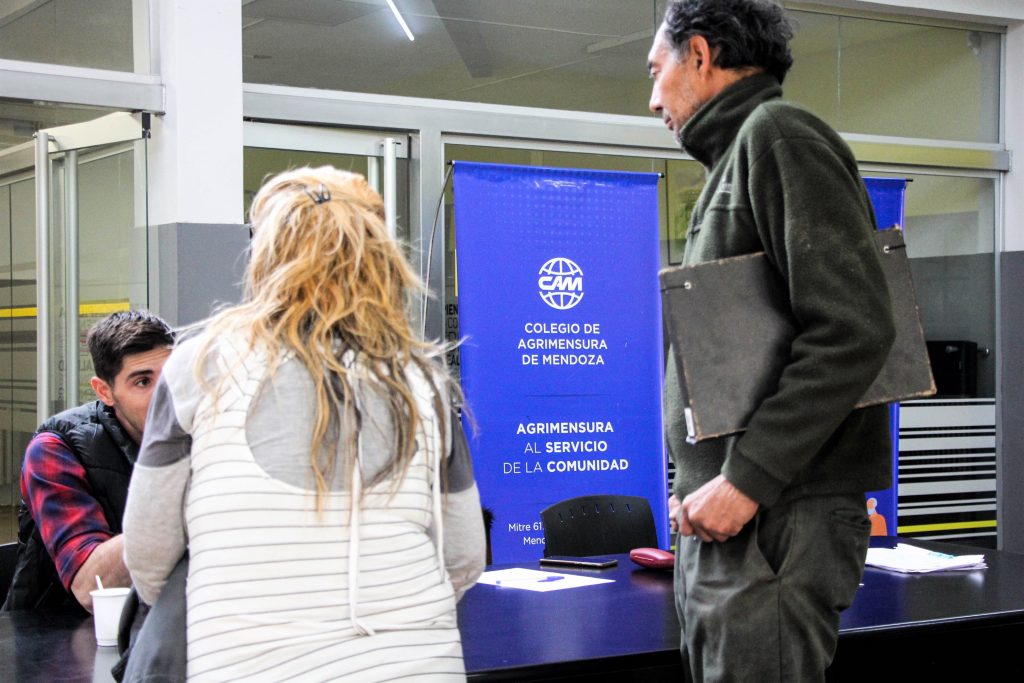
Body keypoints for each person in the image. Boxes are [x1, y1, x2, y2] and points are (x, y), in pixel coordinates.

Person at [123, 166, 485, 681]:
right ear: (379, 259)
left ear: (267, 255)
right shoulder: (420, 380)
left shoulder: (202, 364)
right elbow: (465, 557)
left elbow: (150, 555)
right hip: (416, 665)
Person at [648, 1, 896, 680]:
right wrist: (702, 478)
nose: (651, 99)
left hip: (774, 521)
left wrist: (744, 480)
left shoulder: (781, 138)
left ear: (699, 55)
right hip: (740, 523)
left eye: (657, 68)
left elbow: (854, 328)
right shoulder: (737, 156)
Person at [2, 310, 175, 614]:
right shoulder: (55, 449)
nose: (166, 395)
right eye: (143, 381)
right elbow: (90, 585)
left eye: (173, 375)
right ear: (105, 391)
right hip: (58, 642)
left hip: (162, 628)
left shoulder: (198, 433)